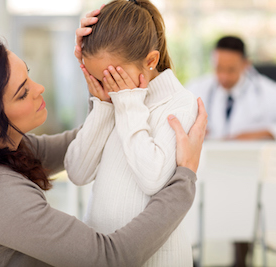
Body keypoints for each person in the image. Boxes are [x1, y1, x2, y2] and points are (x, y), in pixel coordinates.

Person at [0, 10, 208, 267]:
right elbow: (108, 259)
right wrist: (185, 175)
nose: (39, 88)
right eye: (22, 93)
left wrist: (107, 90)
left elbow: (80, 144)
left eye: (28, 75)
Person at [64, 1, 197, 266]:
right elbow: (77, 172)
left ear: (151, 61)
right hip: (104, 255)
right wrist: (102, 106)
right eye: (97, 78)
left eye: (113, 77)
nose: (106, 87)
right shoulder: (113, 98)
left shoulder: (180, 103)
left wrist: (127, 104)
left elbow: (152, 179)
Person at [185, 35, 276, 140]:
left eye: (231, 70)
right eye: (219, 68)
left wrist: (268, 133)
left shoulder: (269, 91)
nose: (224, 76)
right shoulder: (196, 87)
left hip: (250, 155)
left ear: (246, 64)